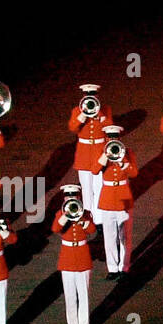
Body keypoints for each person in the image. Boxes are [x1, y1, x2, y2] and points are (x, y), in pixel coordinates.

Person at [92, 124, 137, 280]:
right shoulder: (101, 153)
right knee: (110, 236)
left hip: (124, 197)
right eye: (109, 138)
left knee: (125, 236)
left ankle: (124, 267)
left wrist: (123, 161)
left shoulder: (128, 153)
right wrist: (105, 156)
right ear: (106, 139)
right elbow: (95, 170)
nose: (112, 141)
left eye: (115, 138)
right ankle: (112, 267)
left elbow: (134, 173)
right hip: (108, 199)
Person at [53, 184, 96, 324]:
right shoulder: (60, 214)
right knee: (70, 296)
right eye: (68, 196)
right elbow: (55, 229)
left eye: (74, 196)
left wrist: (82, 221)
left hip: (83, 256)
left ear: (78, 197)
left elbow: (92, 230)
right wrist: (66, 216)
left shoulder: (85, 213)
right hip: (68, 258)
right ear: (64, 198)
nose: (71, 199)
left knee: (84, 295)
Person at [68, 83, 112, 227]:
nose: (91, 99)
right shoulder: (77, 110)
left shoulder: (105, 110)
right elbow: (73, 127)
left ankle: (98, 220)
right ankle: (88, 219)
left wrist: (100, 115)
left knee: (99, 187)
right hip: (84, 154)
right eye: (88, 97)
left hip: (99, 152)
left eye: (93, 96)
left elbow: (110, 128)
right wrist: (83, 114)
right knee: (86, 189)